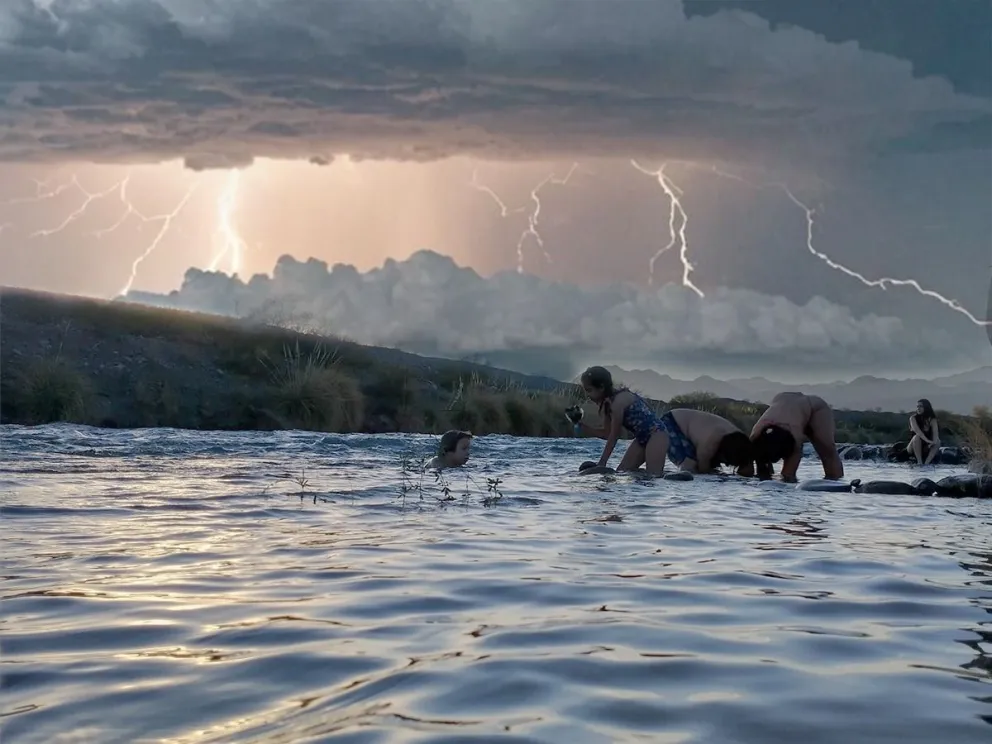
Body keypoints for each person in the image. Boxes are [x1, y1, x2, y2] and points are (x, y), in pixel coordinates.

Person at [574, 366, 689, 476]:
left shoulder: (617, 403)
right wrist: (582, 426)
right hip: (641, 438)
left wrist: (602, 463)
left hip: (657, 434)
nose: (587, 395)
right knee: (623, 471)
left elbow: (614, 436)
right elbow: (606, 434)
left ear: (601, 387)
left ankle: (681, 477)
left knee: (654, 475)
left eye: (589, 390)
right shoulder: (607, 405)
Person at [749, 392, 844, 483]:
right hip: (784, 401)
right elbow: (747, 470)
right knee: (762, 470)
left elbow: (789, 475)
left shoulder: (794, 440)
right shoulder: (755, 437)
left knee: (827, 450)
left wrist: (787, 480)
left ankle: (837, 481)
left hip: (815, 408)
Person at [666, 408, 756, 476]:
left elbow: (747, 468)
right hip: (671, 422)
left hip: (686, 424)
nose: (726, 464)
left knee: (710, 470)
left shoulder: (742, 443)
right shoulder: (713, 441)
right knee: (690, 466)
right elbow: (703, 468)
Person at [909, 398, 940, 465]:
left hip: (927, 446)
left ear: (926, 407)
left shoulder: (932, 419)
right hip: (913, 446)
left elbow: (935, 433)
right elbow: (918, 432)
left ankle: (927, 463)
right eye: (917, 406)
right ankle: (919, 462)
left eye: (920, 406)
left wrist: (933, 442)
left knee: (937, 440)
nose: (918, 408)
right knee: (917, 437)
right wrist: (927, 441)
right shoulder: (913, 418)